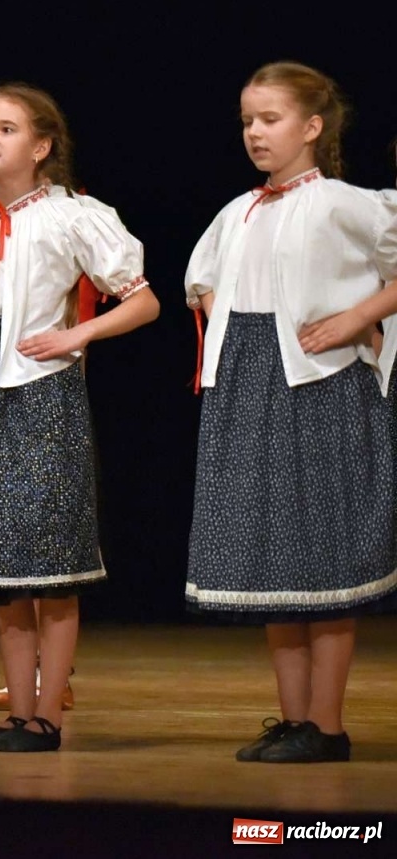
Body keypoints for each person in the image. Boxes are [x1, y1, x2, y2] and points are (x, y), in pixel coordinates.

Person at [0, 84, 158, 752]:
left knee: (49, 555)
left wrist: (75, 337)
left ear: (42, 146)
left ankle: (48, 714)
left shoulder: (74, 214)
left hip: (42, 390)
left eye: (8, 129)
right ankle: (18, 711)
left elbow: (142, 302)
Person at [185, 62, 397, 763]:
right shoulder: (237, 211)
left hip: (319, 386)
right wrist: (231, 332)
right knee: (275, 559)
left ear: (311, 127)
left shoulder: (347, 203)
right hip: (249, 387)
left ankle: (328, 726)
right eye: (248, 120)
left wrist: (356, 317)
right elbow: (201, 281)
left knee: (325, 554)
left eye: (270, 119)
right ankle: (294, 718)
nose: (255, 133)